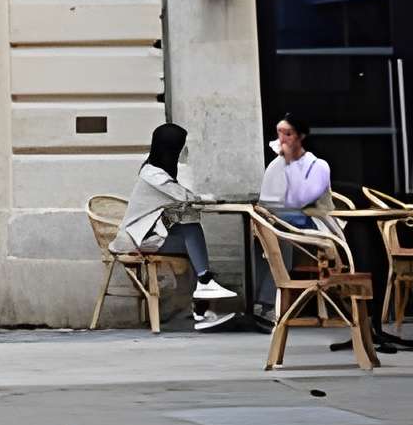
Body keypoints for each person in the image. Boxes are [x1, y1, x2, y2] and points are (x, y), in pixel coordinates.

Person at [111, 122, 239, 330]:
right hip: (135, 241)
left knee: (190, 230)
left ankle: (201, 300)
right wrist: (215, 199)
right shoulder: (153, 175)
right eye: (179, 148)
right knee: (191, 235)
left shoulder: (156, 169)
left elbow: (183, 204)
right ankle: (203, 294)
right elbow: (185, 197)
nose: (181, 154)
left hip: (150, 235)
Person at [255, 113, 341, 323]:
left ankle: (266, 303)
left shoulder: (283, 163)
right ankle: (350, 296)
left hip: (273, 223)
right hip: (288, 225)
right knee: (347, 235)